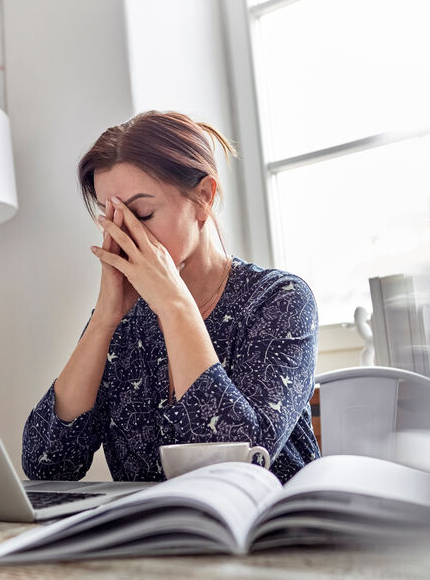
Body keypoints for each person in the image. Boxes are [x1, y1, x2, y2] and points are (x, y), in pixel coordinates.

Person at [22, 111, 319, 484]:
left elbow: (235, 463)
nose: (125, 234)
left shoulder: (280, 300)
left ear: (204, 197)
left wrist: (175, 306)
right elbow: (46, 465)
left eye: (141, 213)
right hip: (153, 536)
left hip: (267, 533)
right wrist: (103, 320)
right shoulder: (123, 320)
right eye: (110, 217)